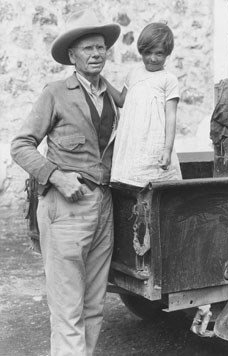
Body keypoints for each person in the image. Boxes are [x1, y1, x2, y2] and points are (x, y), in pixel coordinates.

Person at [11, 9, 120, 356]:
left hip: (104, 207)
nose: (96, 54)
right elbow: (20, 145)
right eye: (87, 48)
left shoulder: (112, 95)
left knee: (94, 306)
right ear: (72, 57)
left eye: (101, 47)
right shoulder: (56, 92)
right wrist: (56, 176)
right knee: (67, 308)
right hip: (66, 209)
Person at [104, 22, 182, 187]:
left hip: (154, 141)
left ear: (167, 53)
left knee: (153, 184)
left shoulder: (169, 79)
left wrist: (167, 149)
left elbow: (171, 116)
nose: (153, 58)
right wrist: (102, 81)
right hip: (133, 141)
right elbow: (121, 100)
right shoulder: (134, 74)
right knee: (132, 183)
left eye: (159, 53)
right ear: (141, 51)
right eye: (147, 52)